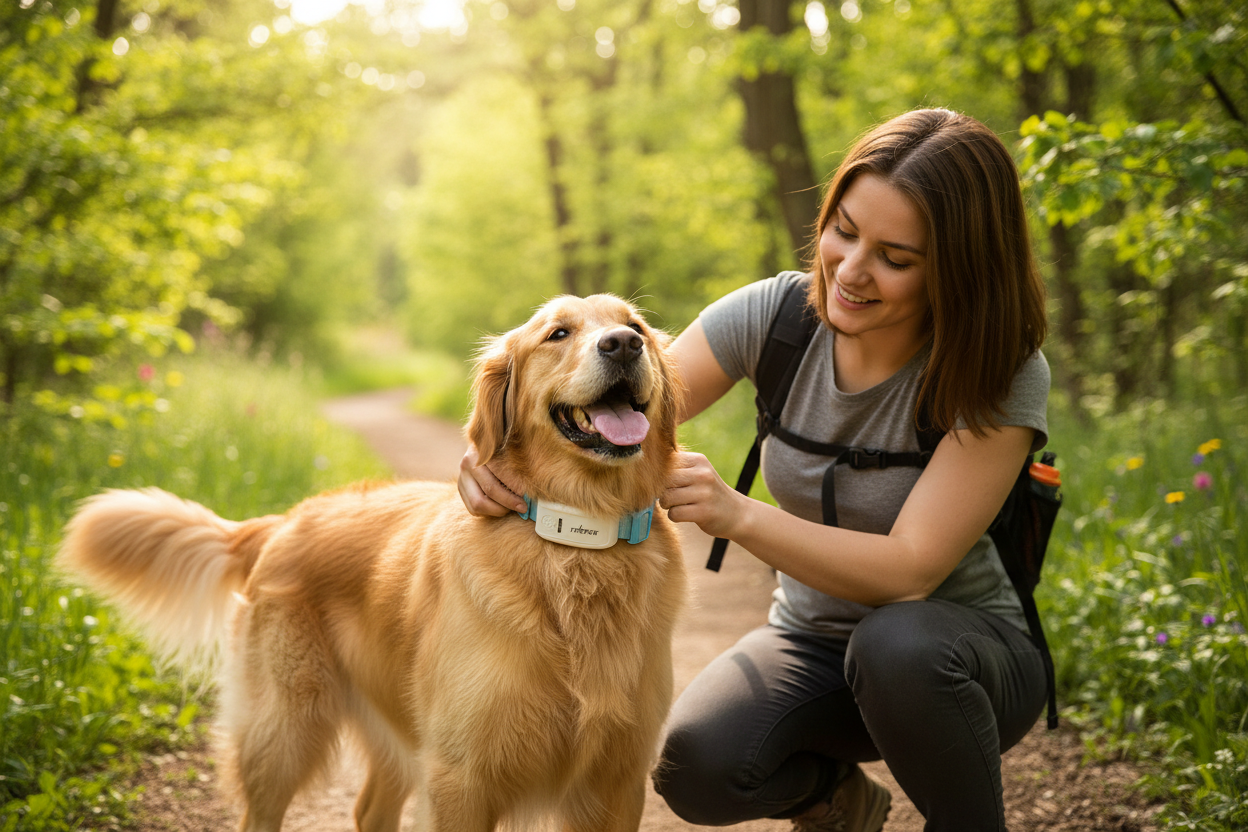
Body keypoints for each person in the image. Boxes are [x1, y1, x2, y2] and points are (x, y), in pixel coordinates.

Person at [458, 108, 1051, 832]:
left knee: (897, 644)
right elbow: (615, 396)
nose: (851, 271)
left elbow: (910, 571)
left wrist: (738, 514)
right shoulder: (777, 316)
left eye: (896, 258)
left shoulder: (999, 370)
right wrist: (484, 449)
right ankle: (839, 803)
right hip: (811, 644)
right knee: (696, 767)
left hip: (958, 661)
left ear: (957, 269)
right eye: (844, 231)